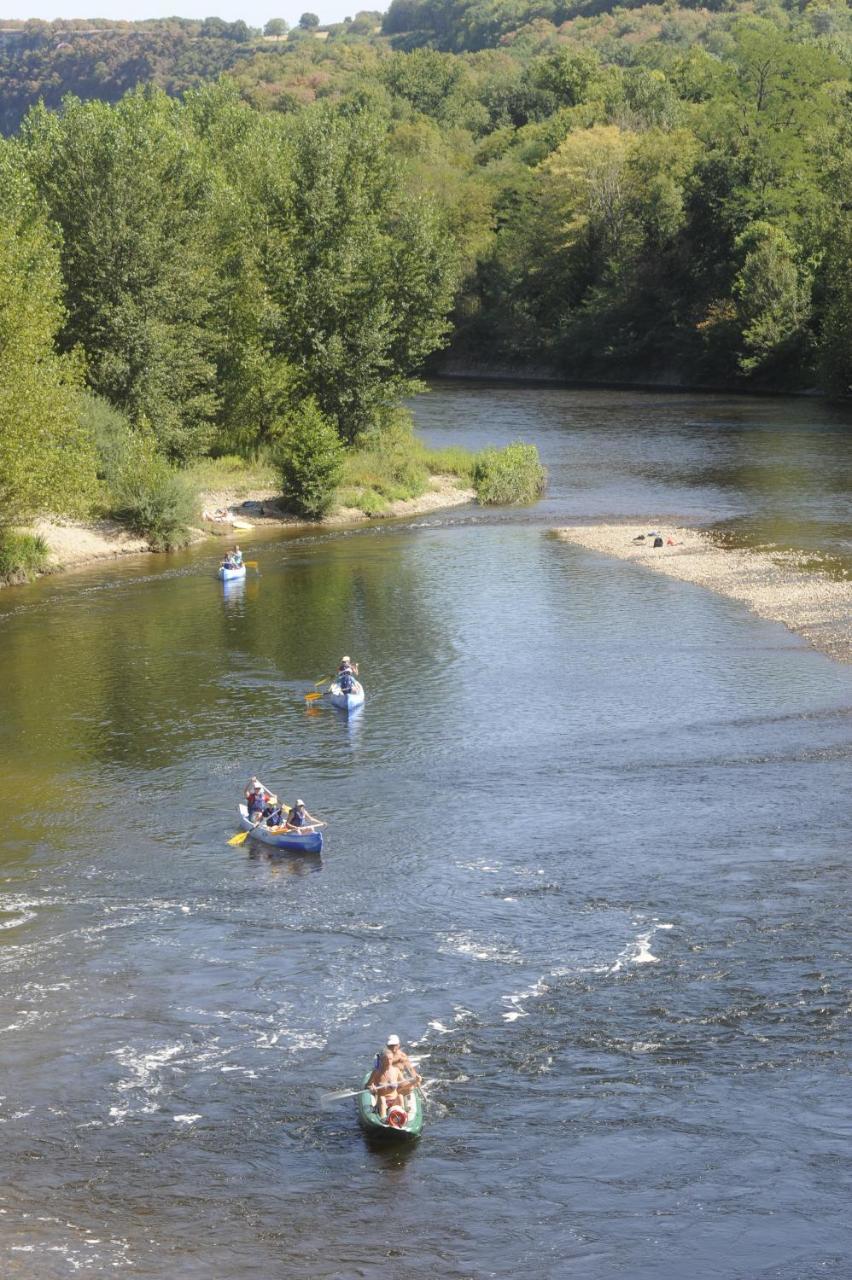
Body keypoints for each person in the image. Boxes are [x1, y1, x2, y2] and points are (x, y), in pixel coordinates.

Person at [367, 1050, 407, 1122]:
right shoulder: (376, 1072)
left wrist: (415, 1081)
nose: (389, 1062)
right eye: (386, 1059)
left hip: (394, 1101)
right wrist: (371, 1088)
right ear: (382, 1060)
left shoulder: (396, 1070)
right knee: (382, 1098)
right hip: (382, 1103)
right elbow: (367, 1086)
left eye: (390, 1059)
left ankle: (403, 1116)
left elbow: (404, 1084)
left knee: (400, 1096)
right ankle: (383, 1119)